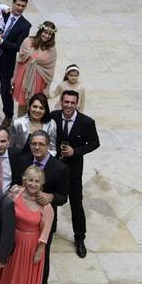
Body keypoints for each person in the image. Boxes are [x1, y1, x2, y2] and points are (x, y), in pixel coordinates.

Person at [0, 166, 55, 284]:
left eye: (37, 181)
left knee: (21, 277)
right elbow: (3, 209)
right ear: (25, 180)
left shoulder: (46, 206)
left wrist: (40, 250)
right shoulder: (16, 193)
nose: (33, 184)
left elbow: (46, 231)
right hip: (11, 240)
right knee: (6, 273)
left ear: (42, 184)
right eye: (30, 180)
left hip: (29, 244)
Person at [15, 131, 69, 284]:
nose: (37, 147)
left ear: (48, 146)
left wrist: (51, 197)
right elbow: (16, 184)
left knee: (41, 257)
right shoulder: (23, 161)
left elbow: (63, 197)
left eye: (41, 144)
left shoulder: (60, 167)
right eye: (34, 143)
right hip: (21, 218)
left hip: (43, 221)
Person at [51, 91, 99, 258]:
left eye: (72, 102)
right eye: (66, 102)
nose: (69, 105)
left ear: (77, 103)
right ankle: (52, 226)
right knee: (52, 199)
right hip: (55, 168)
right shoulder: (53, 117)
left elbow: (95, 143)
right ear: (61, 101)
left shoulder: (86, 122)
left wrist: (76, 151)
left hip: (74, 170)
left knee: (76, 204)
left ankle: (79, 237)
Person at [12, 21, 58, 117]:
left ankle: (33, 124)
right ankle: (20, 123)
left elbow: (51, 69)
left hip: (39, 80)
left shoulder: (51, 49)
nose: (46, 36)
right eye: (45, 32)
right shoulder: (28, 41)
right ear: (40, 31)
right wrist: (14, 77)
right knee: (22, 103)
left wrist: (47, 87)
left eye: (50, 34)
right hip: (24, 77)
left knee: (35, 104)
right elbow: (19, 60)